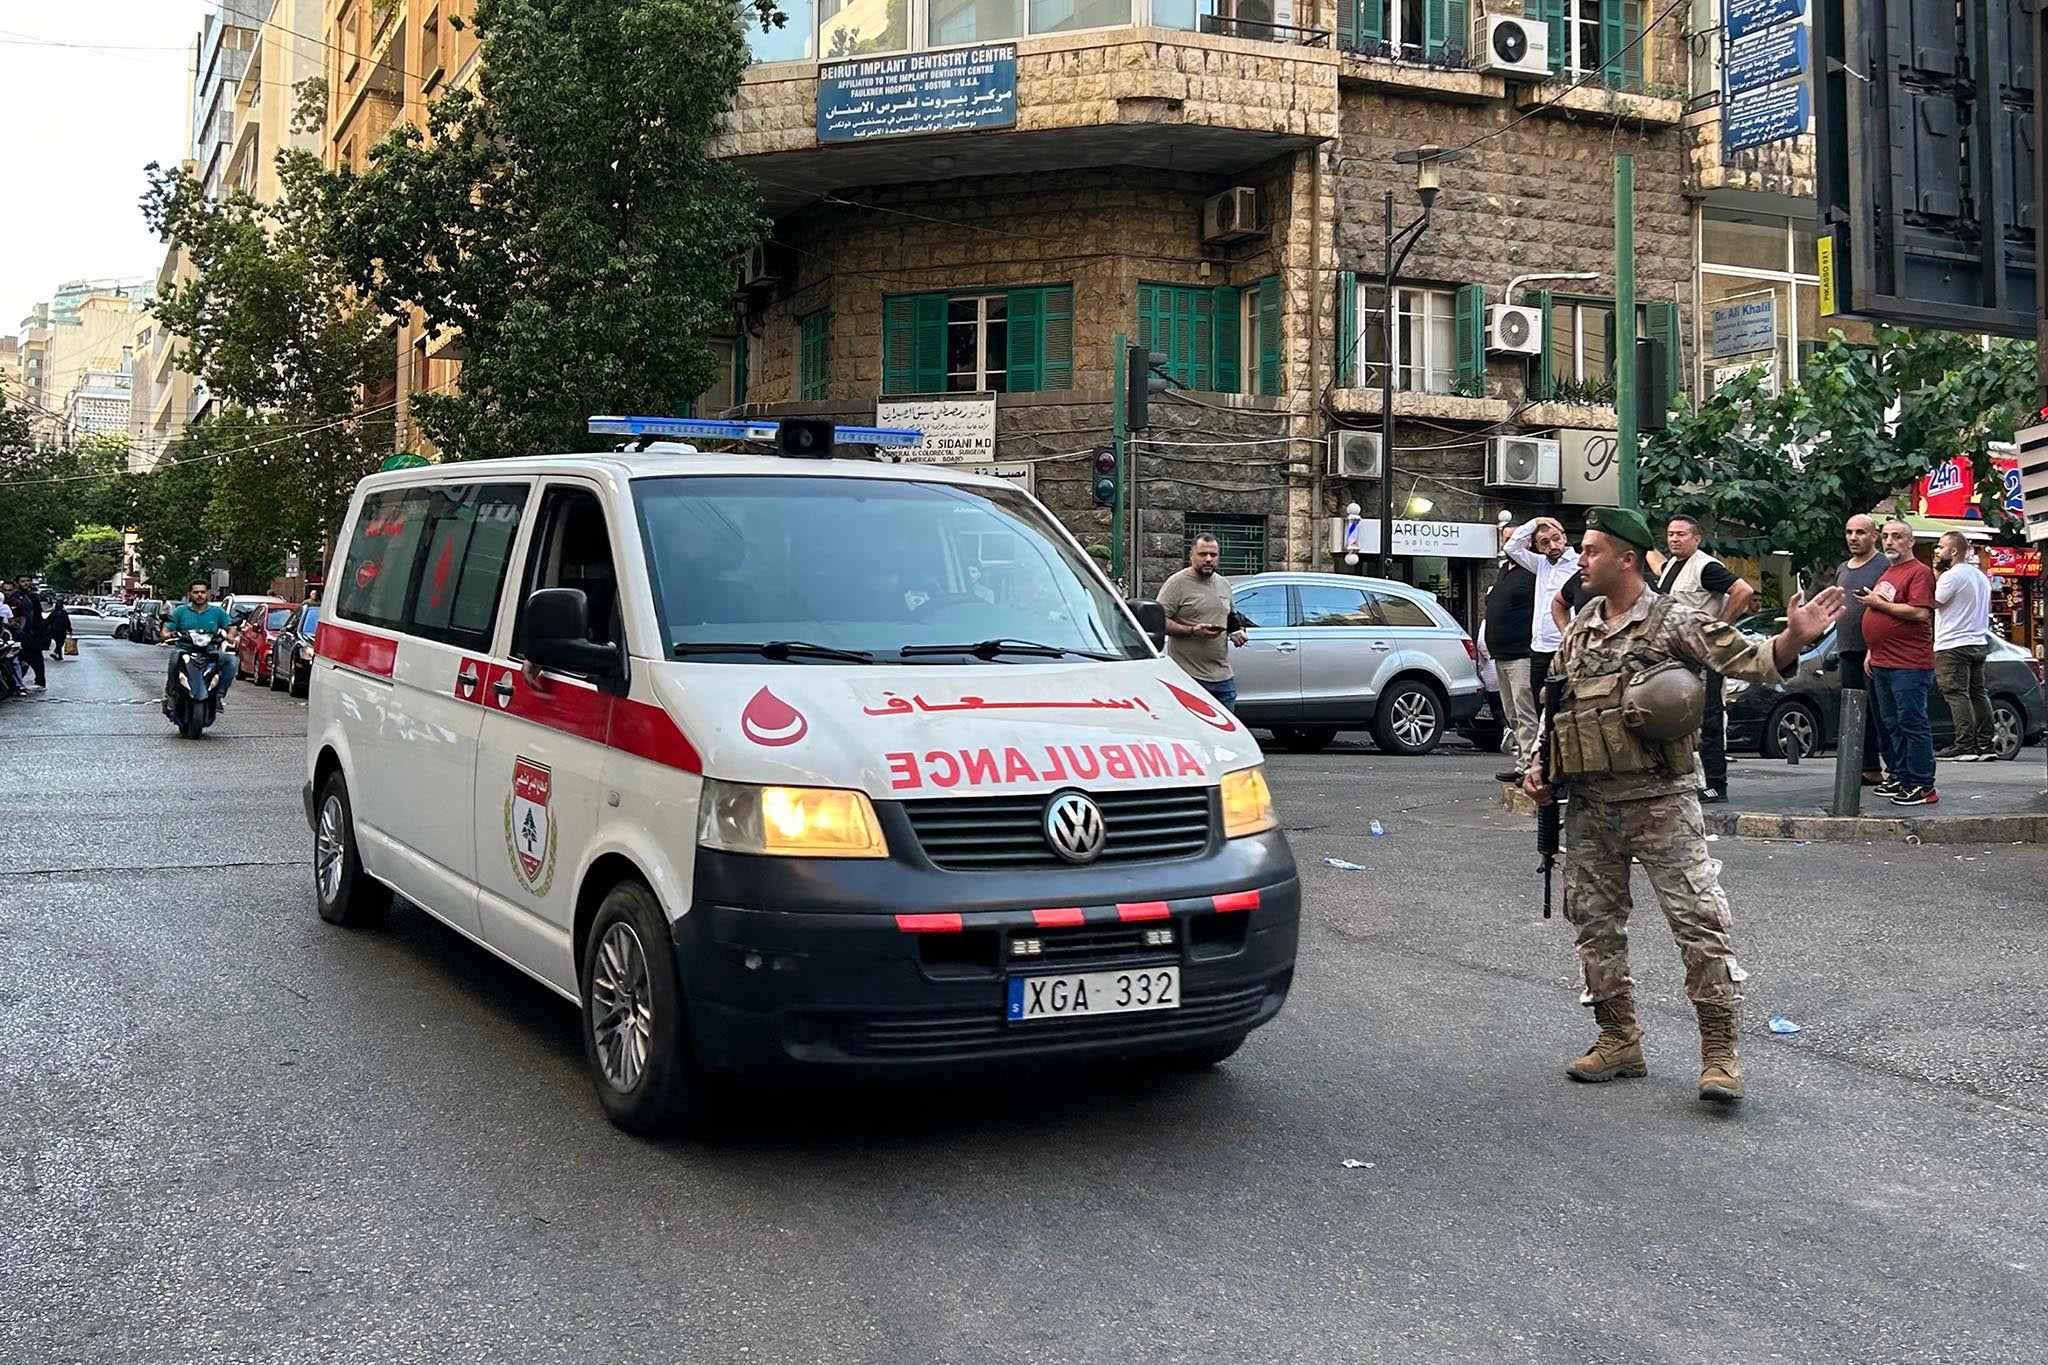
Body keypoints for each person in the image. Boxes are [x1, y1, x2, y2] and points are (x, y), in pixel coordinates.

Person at [1524, 507, 1844, 1105]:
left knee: (1698, 925)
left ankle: (1720, 1056)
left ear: (1625, 559)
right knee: (1594, 926)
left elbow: (1746, 659)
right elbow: (1557, 702)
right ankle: (1619, 1040)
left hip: (1660, 801)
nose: (1581, 560)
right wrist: (1538, 763)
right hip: (1591, 805)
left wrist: (1795, 637)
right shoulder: (1583, 624)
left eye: (1591, 550)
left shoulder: (1674, 620)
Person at [1655, 515, 1755, 802]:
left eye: (1681, 534)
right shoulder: (1672, 565)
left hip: (1704, 655)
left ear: (1696, 539)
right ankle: (1686, 778)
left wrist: (1719, 626)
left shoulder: (1706, 567)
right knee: (1680, 719)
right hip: (1678, 656)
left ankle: (1715, 783)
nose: (1674, 539)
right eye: (1671, 534)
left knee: (1709, 718)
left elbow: (1743, 591)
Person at [1858, 519, 1939, 805]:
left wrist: (1877, 605)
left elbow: (1919, 613)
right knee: (1891, 722)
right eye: (1886, 537)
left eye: (1897, 536)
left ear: (1911, 541)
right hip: (1882, 661)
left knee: (1912, 722)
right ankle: (1901, 776)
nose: (1889, 541)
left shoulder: (1919, 572)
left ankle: (1922, 784)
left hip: (1909, 664)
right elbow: (1882, 618)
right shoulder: (1889, 572)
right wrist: (1871, 649)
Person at [1158, 533, 1248, 711]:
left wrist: (1237, 631)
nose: (1208, 559)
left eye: (1213, 555)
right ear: (1191, 554)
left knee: (1224, 736)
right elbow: (1158, 621)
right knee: (1194, 736)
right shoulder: (1177, 583)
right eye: (1202, 554)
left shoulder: (1224, 584)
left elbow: (1229, 614)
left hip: (1223, 678)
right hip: (1189, 677)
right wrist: (1192, 630)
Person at [1932, 530, 1995, 762]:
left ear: (1954, 550)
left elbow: (1933, 602)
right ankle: (1986, 744)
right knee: (1979, 693)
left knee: (1956, 693)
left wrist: (1936, 576)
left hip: (1953, 643)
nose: (1938, 551)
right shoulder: (1979, 576)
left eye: (1941, 546)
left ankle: (1964, 745)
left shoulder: (1952, 576)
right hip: (1977, 640)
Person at [1834, 514, 1888, 785]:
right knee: (1856, 712)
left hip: (1875, 651)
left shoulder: (1884, 565)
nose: (1853, 537)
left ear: (1873, 536)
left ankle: (1896, 770)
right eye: (1849, 532)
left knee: (1882, 712)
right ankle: (1868, 767)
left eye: (1860, 532)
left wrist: (1875, 647)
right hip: (1848, 649)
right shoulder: (1843, 568)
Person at [1481, 532, 1538, 783]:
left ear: (1528, 541)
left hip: (1521, 653)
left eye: (1514, 537)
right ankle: (1522, 761)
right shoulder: (1505, 569)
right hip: (1500, 654)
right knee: (1512, 713)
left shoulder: (1533, 569)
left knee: (1525, 712)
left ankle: (1531, 767)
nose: (1507, 542)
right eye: (1505, 537)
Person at [1503, 516, 1579, 697]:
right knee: (1540, 701)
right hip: (1539, 647)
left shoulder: (1579, 563)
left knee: (1566, 700)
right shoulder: (1540, 564)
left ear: (1564, 538)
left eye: (1556, 538)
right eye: (1545, 542)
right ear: (1538, 547)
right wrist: (1536, 521)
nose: (1552, 546)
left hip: (1564, 646)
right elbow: (1511, 547)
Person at [161, 580, 239, 707]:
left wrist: (230, 635)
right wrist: (167, 634)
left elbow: (231, 626)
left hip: (210, 651)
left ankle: (219, 695)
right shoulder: (180, 611)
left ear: (207, 594)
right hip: (185, 650)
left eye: (202, 592)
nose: (199, 595)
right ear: (189, 594)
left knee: (232, 661)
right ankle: (172, 694)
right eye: (196, 592)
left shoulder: (217, 611)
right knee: (175, 658)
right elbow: (166, 630)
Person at [5, 576, 47, 692]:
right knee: (18, 659)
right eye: (23, 581)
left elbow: (36, 616)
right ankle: (15, 684)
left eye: (28, 581)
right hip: (18, 634)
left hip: (32, 633)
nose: (26, 583)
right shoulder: (14, 598)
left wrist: (40, 632)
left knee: (35, 658)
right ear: (17, 583)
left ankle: (39, 681)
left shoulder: (32, 596)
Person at [44, 597, 71, 664]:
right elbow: (67, 622)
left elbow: (48, 621)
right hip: (61, 630)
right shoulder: (64, 613)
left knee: (58, 642)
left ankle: (60, 656)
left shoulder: (54, 612)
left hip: (53, 630)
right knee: (60, 643)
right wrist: (69, 629)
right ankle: (55, 652)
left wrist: (44, 627)